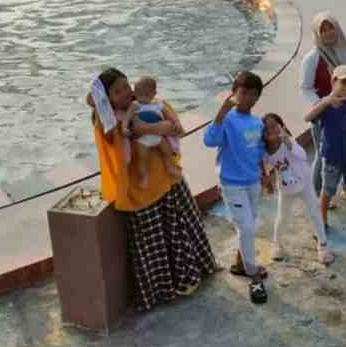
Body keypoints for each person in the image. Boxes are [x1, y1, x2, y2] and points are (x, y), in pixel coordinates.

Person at [88, 68, 216, 311]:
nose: (126, 93)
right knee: (153, 244)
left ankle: (193, 276)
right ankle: (163, 291)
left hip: (168, 179)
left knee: (182, 229)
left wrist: (145, 128)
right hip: (141, 192)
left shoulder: (146, 103)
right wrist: (150, 128)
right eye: (117, 91)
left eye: (126, 86)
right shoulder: (108, 122)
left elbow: (174, 128)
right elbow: (113, 125)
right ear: (107, 99)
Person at [203, 70, 269, 303]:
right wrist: (221, 111)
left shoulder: (257, 122)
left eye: (253, 94)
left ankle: (241, 264)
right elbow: (210, 140)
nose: (247, 98)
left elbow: (259, 151)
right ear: (233, 93)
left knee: (248, 226)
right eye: (243, 92)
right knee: (247, 227)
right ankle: (253, 276)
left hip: (253, 182)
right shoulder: (228, 120)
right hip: (232, 184)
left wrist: (265, 175)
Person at [301, 12, 346, 206]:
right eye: (323, 30)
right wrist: (324, 103)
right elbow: (305, 88)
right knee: (322, 153)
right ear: (317, 34)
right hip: (324, 114)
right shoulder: (313, 58)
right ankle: (318, 192)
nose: (328, 33)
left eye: (330, 27)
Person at [305, 65, 346, 243]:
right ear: (333, 81)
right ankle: (322, 222)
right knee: (327, 191)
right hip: (332, 158)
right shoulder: (324, 104)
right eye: (344, 83)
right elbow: (308, 117)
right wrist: (326, 102)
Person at [262, 113, 334, 265]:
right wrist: (266, 181)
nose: (271, 130)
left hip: (305, 182)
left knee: (314, 212)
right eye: (267, 129)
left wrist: (287, 140)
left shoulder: (288, 142)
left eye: (274, 126)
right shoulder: (265, 152)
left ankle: (323, 244)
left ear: (281, 126)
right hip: (286, 188)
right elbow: (264, 165)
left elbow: (302, 155)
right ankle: (277, 243)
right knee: (282, 216)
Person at [120, 76, 183, 186]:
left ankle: (169, 166)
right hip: (143, 140)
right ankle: (143, 176)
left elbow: (171, 115)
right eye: (139, 94)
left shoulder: (158, 105)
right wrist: (124, 127)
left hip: (159, 137)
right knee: (142, 159)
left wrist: (177, 123)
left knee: (167, 151)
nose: (142, 98)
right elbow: (127, 117)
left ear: (154, 94)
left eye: (146, 95)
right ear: (135, 92)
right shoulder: (135, 105)